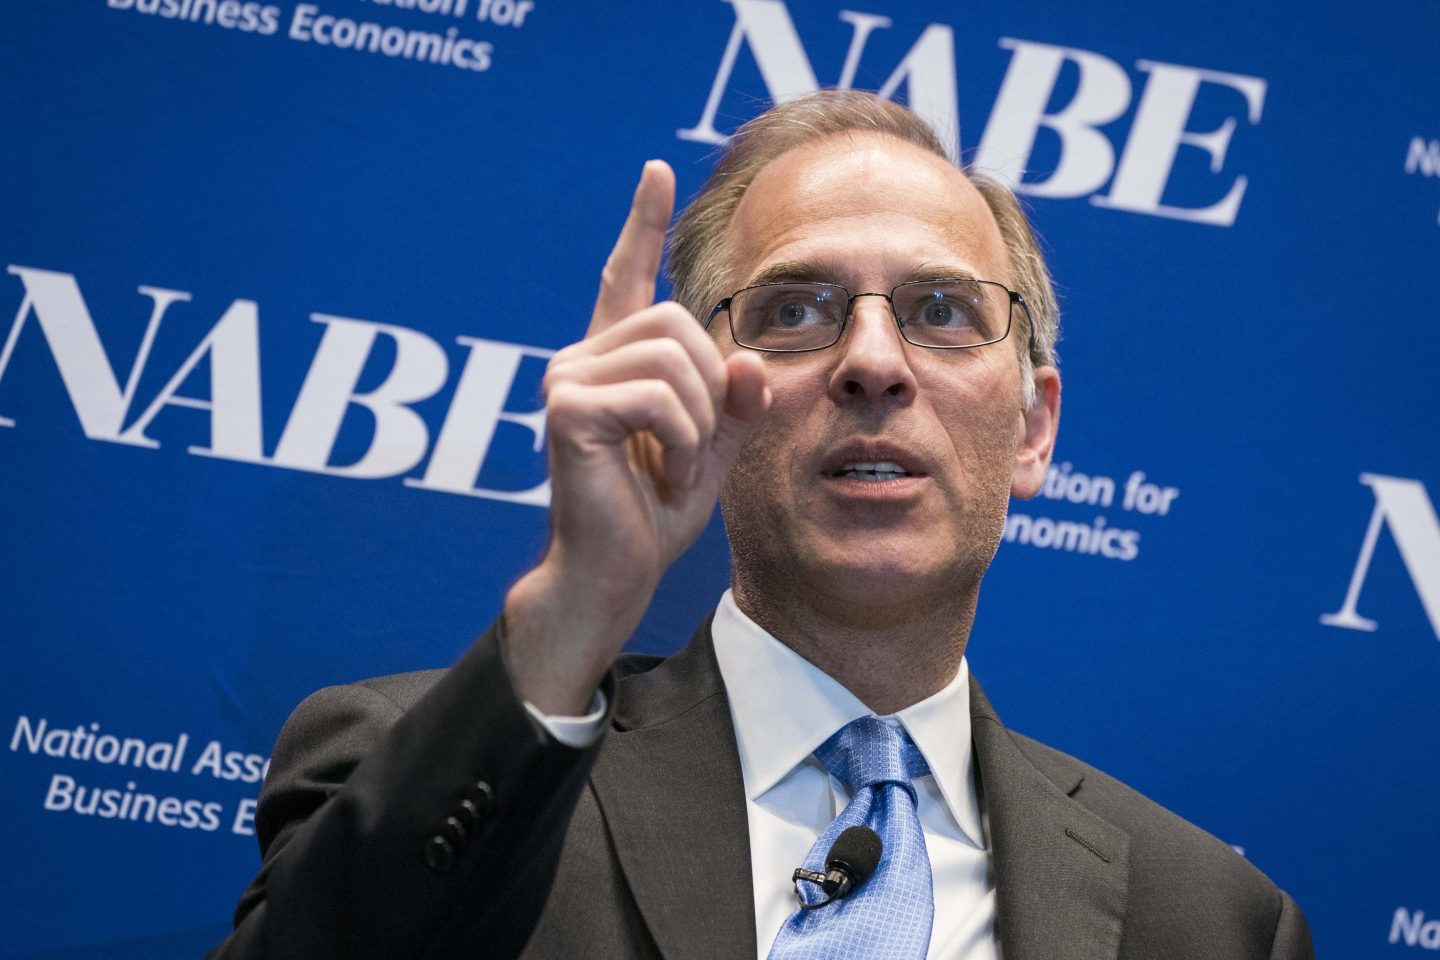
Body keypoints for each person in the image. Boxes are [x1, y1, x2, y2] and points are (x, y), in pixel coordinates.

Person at [211, 91, 1313, 959]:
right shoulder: (425, 767)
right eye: (795, 311)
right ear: (695, 395)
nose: (874, 362)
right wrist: (574, 611)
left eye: (941, 312)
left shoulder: (1214, 924)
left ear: (1034, 429)